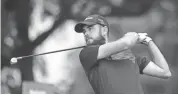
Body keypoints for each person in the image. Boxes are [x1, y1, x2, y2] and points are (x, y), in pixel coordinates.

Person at [74, 14, 172, 94]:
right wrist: (131, 36)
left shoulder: (131, 57)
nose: (86, 33)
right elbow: (126, 43)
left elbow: (165, 72)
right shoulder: (87, 53)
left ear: (104, 30)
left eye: (90, 28)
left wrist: (148, 41)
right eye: (84, 31)